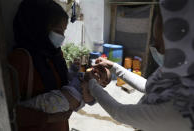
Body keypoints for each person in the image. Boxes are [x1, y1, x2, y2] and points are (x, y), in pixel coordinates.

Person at [82, 0, 194, 130]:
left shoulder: (183, 107)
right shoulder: (181, 74)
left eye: (159, 44)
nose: (155, 49)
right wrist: (113, 67)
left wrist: (92, 84)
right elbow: (146, 86)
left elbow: (120, 112)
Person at [8, 0, 71, 130]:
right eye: (58, 31)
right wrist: (49, 118)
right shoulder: (21, 60)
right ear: (38, 27)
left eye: (64, 31)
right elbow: (7, 111)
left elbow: (65, 88)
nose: (62, 37)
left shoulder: (56, 56)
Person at [19, 66, 111, 113]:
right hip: (60, 93)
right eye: (97, 68)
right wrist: (74, 69)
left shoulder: (96, 91)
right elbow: (69, 76)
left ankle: (19, 108)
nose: (97, 71)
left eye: (100, 74)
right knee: (41, 99)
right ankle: (21, 106)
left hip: (64, 102)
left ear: (103, 84)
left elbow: (87, 99)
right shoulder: (82, 75)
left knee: (41, 104)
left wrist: (85, 86)